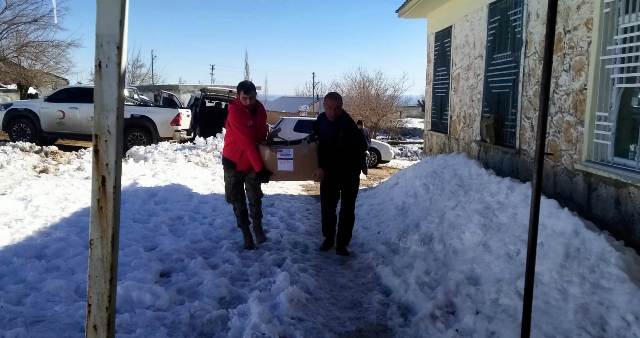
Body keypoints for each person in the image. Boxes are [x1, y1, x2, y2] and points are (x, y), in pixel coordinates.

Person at [313, 92, 368, 256]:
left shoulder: (348, 125)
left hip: (349, 173)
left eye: (336, 109)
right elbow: (316, 141)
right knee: (327, 208)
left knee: (347, 210)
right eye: (329, 108)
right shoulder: (321, 119)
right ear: (324, 106)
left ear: (341, 107)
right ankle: (328, 239)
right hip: (329, 174)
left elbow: (355, 150)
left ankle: (342, 244)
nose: (332, 112)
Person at [222, 80, 272, 250]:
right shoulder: (235, 112)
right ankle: (246, 234)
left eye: (251, 98)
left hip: (252, 162)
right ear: (238, 97)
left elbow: (260, 135)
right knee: (238, 201)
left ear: (255, 95)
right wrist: (261, 168)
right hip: (233, 163)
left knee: (255, 198)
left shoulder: (260, 109)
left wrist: (267, 143)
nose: (249, 102)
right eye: (245, 98)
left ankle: (257, 229)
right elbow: (247, 143)